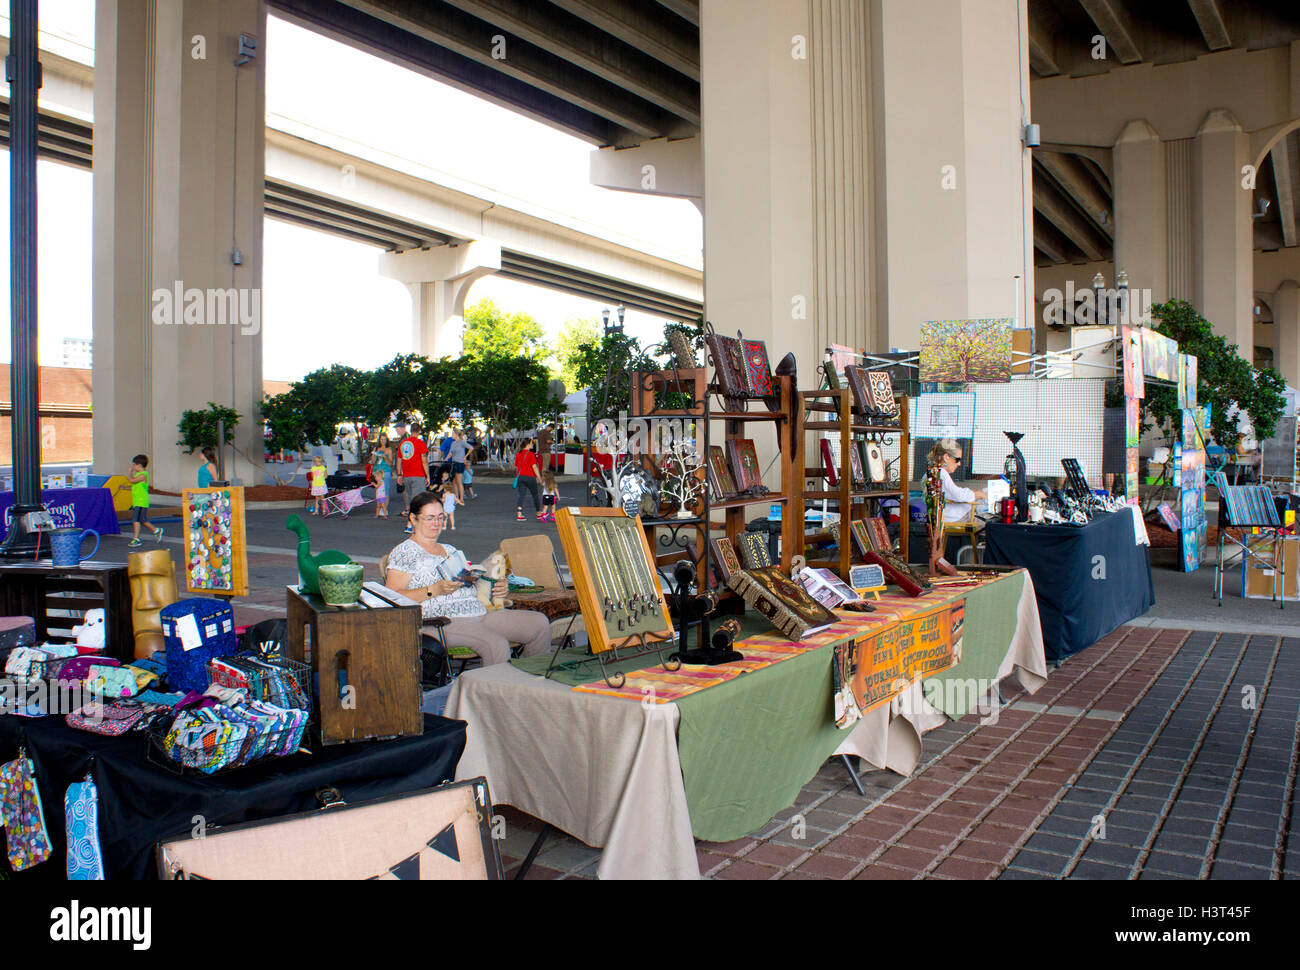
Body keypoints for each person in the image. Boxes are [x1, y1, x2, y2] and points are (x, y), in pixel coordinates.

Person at [384, 493, 552, 666]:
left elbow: (468, 582)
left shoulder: (449, 549)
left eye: (441, 517)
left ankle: (533, 683)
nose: (437, 523)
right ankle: (497, 691)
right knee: (496, 644)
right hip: (440, 622)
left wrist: (497, 586)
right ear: (413, 518)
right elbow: (392, 597)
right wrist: (434, 590)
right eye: (430, 518)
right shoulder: (405, 552)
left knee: (539, 624)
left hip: (478, 612)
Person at [925, 439, 986, 570]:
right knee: (991, 525)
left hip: (943, 516)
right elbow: (958, 495)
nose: (959, 464)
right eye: (957, 459)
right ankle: (983, 564)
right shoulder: (941, 473)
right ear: (946, 457)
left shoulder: (931, 472)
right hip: (954, 517)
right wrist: (978, 494)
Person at [117, 454, 163, 547]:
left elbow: (132, 480)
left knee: (135, 519)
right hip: (138, 501)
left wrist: (130, 472)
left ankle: (136, 539)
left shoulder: (143, 475)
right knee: (142, 520)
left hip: (141, 501)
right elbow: (134, 486)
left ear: (139, 465)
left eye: (134, 465)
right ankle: (156, 530)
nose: (133, 467)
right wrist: (124, 488)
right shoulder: (138, 475)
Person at [396, 424, 430, 531]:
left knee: (410, 499)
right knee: (418, 500)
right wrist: (427, 475)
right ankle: (410, 524)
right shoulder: (420, 443)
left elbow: (399, 460)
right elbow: (424, 460)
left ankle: (416, 522)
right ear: (419, 431)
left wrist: (399, 474)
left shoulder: (403, 443)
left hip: (406, 475)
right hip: (418, 474)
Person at [514, 439, 542, 521]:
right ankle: (538, 513)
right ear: (528, 444)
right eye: (531, 443)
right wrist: (539, 477)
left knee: (521, 495)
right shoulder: (531, 454)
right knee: (535, 495)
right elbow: (534, 467)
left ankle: (519, 514)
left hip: (520, 477)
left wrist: (517, 477)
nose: (532, 445)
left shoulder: (518, 454)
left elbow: (517, 467)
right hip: (530, 477)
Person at [446, 429, 471, 504]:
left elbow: (471, 448)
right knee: (453, 481)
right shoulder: (453, 443)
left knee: (458, 481)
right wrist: (446, 459)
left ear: (456, 434)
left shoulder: (462, 442)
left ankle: (461, 498)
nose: (452, 435)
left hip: (460, 463)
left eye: (453, 433)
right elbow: (450, 453)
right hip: (453, 463)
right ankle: (456, 498)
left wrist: (465, 456)